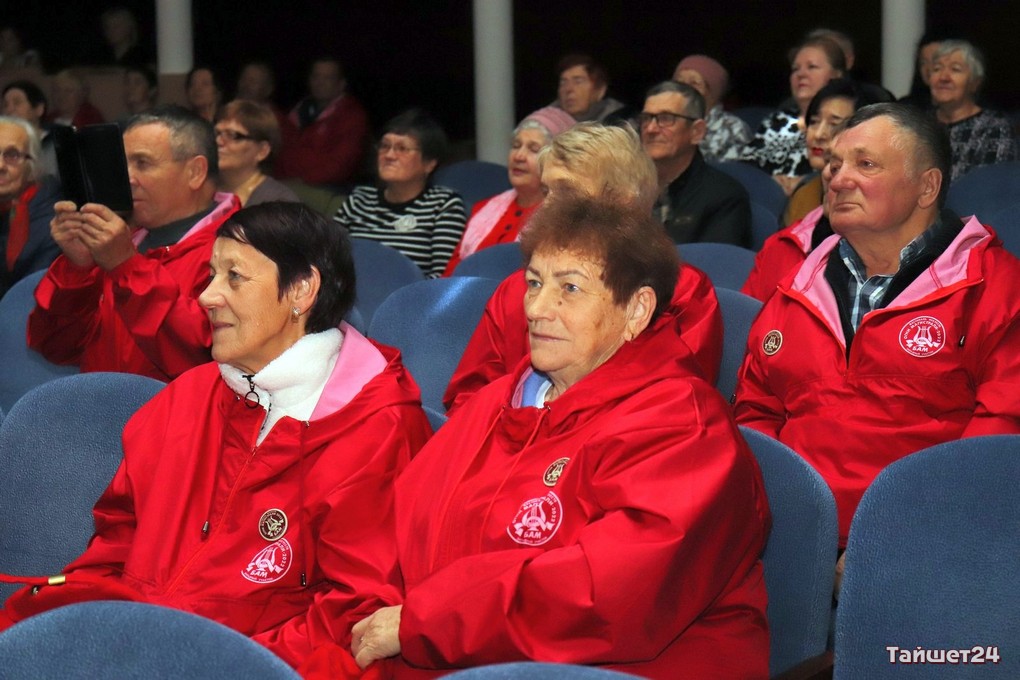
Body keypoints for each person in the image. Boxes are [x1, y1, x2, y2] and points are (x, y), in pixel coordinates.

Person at [351, 194, 770, 678]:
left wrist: (426, 621)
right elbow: (404, 520)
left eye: (570, 288)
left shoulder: (684, 427)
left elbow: (605, 595)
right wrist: (377, 610)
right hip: (463, 649)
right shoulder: (500, 402)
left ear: (637, 310)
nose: (536, 308)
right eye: (534, 283)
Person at [7, 202, 432, 672]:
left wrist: (207, 663)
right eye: (211, 275)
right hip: (138, 644)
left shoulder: (376, 426)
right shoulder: (187, 396)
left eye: (234, 277)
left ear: (302, 290)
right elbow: (116, 541)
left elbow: (356, 611)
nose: (207, 297)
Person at [735, 103, 1020, 553]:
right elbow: (755, 418)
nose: (838, 179)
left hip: (931, 542)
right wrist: (791, 534)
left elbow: (999, 435)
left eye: (865, 164)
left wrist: (895, 547)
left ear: (927, 187)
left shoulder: (994, 286)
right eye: (834, 165)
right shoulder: (794, 288)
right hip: (795, 539)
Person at [444, 123, 723, 413]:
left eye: (566, 190)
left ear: (623, 201)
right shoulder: (516, 289)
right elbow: (468, 400)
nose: (547, 206)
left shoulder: (683, 292)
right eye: (546, 191)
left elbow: (679, 404)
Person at [28, 105, 240, 380]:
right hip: (100, 402)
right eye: (122, 164)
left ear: (195, 172)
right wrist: (78, 269)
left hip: (175, 409)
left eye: (142, 163)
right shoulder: (120, 239)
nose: (126, 178)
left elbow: (208, 359)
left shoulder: (244, 250)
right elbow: (56, 347)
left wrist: (127, 266)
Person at [333, 108, 466, 278]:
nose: (389, 155)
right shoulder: (359, 199)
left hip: (412, 294)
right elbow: (326, 256)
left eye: (402, 148)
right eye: (385, 146)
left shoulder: (443, 204)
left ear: (429, 163)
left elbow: (442, 277)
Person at [443, 106, 574, 275]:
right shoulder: (483, 208)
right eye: (516, 146)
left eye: (533, 149)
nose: (519, 156)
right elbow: (451, 273)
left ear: (558, 162)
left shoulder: (562, 218)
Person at [642, 81, 751, 247]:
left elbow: (714, 260)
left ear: (697, 132)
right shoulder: (625, 188)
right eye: (646, 118)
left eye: (666, 119)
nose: (651, 129)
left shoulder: (724, 196)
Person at [781, 78, 893, 226]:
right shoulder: (804, 193)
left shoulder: (878, 201)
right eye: (814, 122)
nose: (818, 135)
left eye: (834, 124)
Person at [740, 36, 845, 193]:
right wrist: (771, 183)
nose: (801, 74)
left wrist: (805, 184)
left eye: (812, 67)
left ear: (836, 76)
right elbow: (744, 169)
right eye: (795, 69)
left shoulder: (847, 122)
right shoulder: (775, 121)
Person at [929, 40, 1017, 181]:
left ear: (975, 83)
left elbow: (993, 183)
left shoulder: (994, 126)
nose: (943, 77)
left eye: (955, 69)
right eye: (936, 69)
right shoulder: (920, 124)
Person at [276, 57, 369, 188]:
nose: (320, 82)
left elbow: (342, 165)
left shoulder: (351, 116)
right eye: (316, 76)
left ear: (341, 84)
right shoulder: (300, 110)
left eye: (328, 78)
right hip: (286, 183)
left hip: (327, 188)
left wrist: (301, 182)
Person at [0, 116, 60, 296]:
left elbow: (28, 296)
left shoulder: (54, 220)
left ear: (32, 165)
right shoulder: (5, 204)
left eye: (12, 156)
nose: (0, 165)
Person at [215, 100, 298, 206]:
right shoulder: (201, 187)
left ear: (262, 151)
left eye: (232, 135)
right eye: (217, 133)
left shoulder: (279, 202)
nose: (218, 141)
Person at [673, 54, 750, 162]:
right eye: (679, 82)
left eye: (694, 83)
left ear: (712, 93)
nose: (683, 88)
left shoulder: (733, 129)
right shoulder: (661, 121)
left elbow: (733, 171)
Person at [2, 80, 55, 178]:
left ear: (39, 109)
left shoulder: (54, 144)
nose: (9, 110)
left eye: (17, 103)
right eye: (6, 105)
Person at [554, 53, 626, 123]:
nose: (568, 89)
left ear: (600, 90)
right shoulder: (550, 119)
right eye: (563, 83)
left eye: (578, 82)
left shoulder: (622, 122)